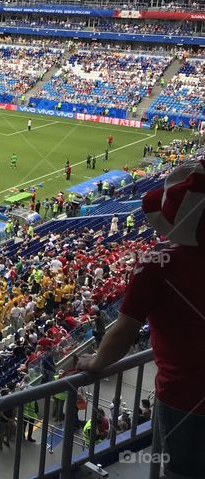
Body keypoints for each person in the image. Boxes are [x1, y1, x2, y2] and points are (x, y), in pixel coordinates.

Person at [77, 158, 205, 479]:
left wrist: (96, 362)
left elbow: (124, 332)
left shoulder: (157, 264)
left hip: (185, 398)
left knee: (179, 472)